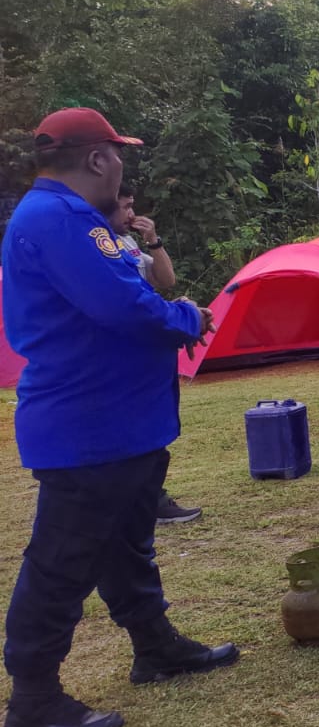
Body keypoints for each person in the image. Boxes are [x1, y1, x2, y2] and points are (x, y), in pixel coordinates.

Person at [2, 107, 237, 727]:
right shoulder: (57, 219)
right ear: (100, 158)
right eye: (120, 155)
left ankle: (154, 646)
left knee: (125, 543)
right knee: (61, 563)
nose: (122, 167)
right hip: (88, 424)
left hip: (120, 421)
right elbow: (122, 306)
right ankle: (33, 701)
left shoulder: (69, 218)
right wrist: (187, 316)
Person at [111, 186, 200, 525]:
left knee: (153, 428)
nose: (132, 214)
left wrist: (154, 240)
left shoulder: (128, 243)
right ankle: (146, 502)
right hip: (126, 353)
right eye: (127, 206)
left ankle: (152, 499)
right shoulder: (96, 245)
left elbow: (167, 280)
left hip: (149, 350)